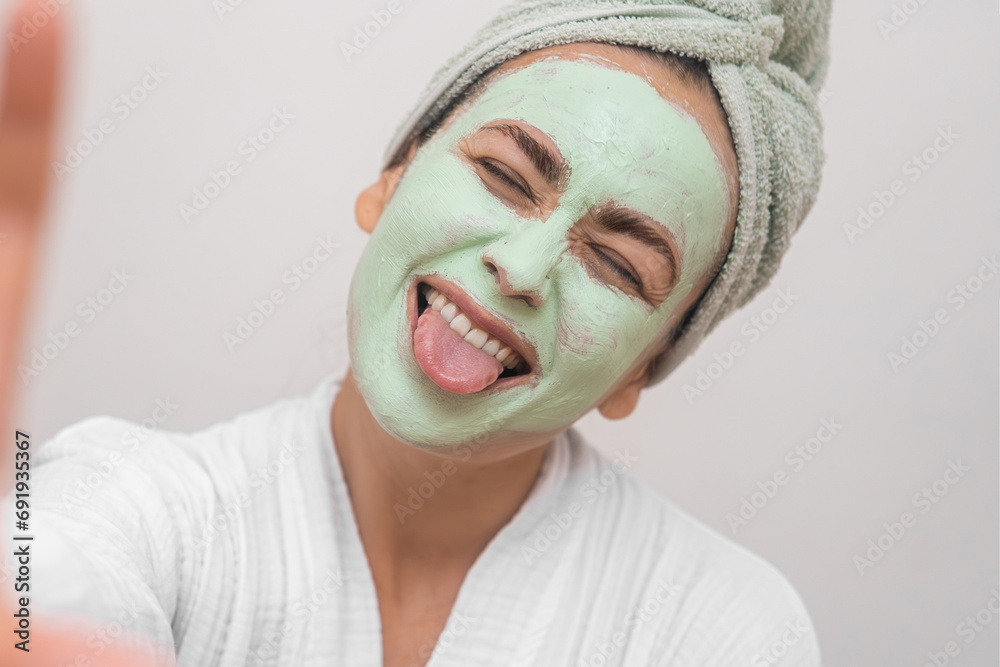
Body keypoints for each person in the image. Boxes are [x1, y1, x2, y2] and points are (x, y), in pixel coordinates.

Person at [1, 0, 830, 665]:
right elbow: (47, 590)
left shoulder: (722, 630)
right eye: (506, 174)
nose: (522, 266)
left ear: (641, 370)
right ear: (389, 180)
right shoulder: (119, 499)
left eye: (616, 263)